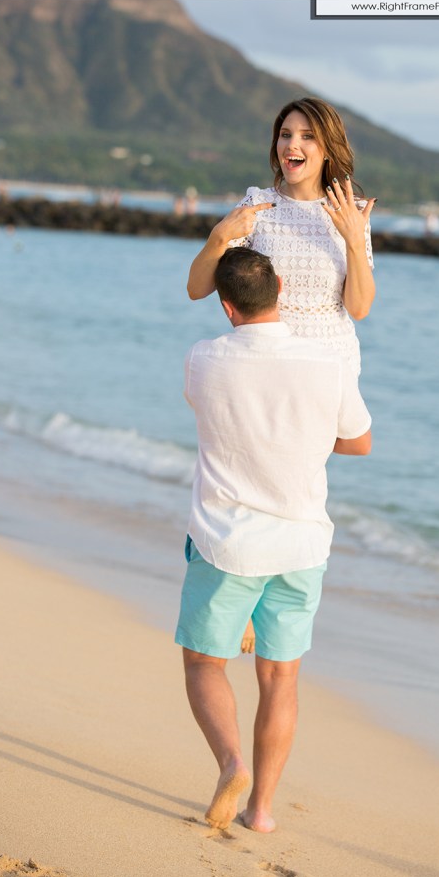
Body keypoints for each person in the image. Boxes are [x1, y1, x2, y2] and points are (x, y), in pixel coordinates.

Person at [176, 247, 371, 833]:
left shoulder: (203, 359)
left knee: (205, 663)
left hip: (226, 544)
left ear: (228, 306)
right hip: (302, 545)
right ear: (281, 286)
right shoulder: (325, 365)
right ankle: (261, 812)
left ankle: (231, 762)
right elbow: (358, 442)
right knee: (280, 676)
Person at [186, 96, 376, 379]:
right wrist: (219, 237)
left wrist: (354, 241)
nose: (291, 144)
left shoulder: (352, 211)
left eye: (307, 136)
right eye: (285, 135)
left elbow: (359, 309)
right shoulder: (256, 204)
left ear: (327, 149)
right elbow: (196, 290)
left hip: (331, 369)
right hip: (267, 368)